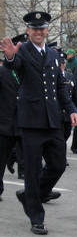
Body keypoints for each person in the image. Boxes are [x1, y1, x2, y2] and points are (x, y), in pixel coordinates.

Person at [0, 11, 77, 234]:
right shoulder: (22, 51)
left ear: (47, 31)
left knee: (58, 164)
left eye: (42, 28)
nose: (38, 32)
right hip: (30, 121)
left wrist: (71, 109)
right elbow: (14, 66)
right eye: (34, 29)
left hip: (52, 119)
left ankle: (29, 196)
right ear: (28, 31)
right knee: (33, 171)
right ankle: (36, 216)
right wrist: (9, 58)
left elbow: (60, 87)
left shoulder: (54, 54)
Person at [0, 34, 27, 201]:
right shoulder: (3, 71)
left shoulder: (30, 71)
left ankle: (39, 189)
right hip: (5, 122)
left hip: (27, 122)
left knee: (33, 159)